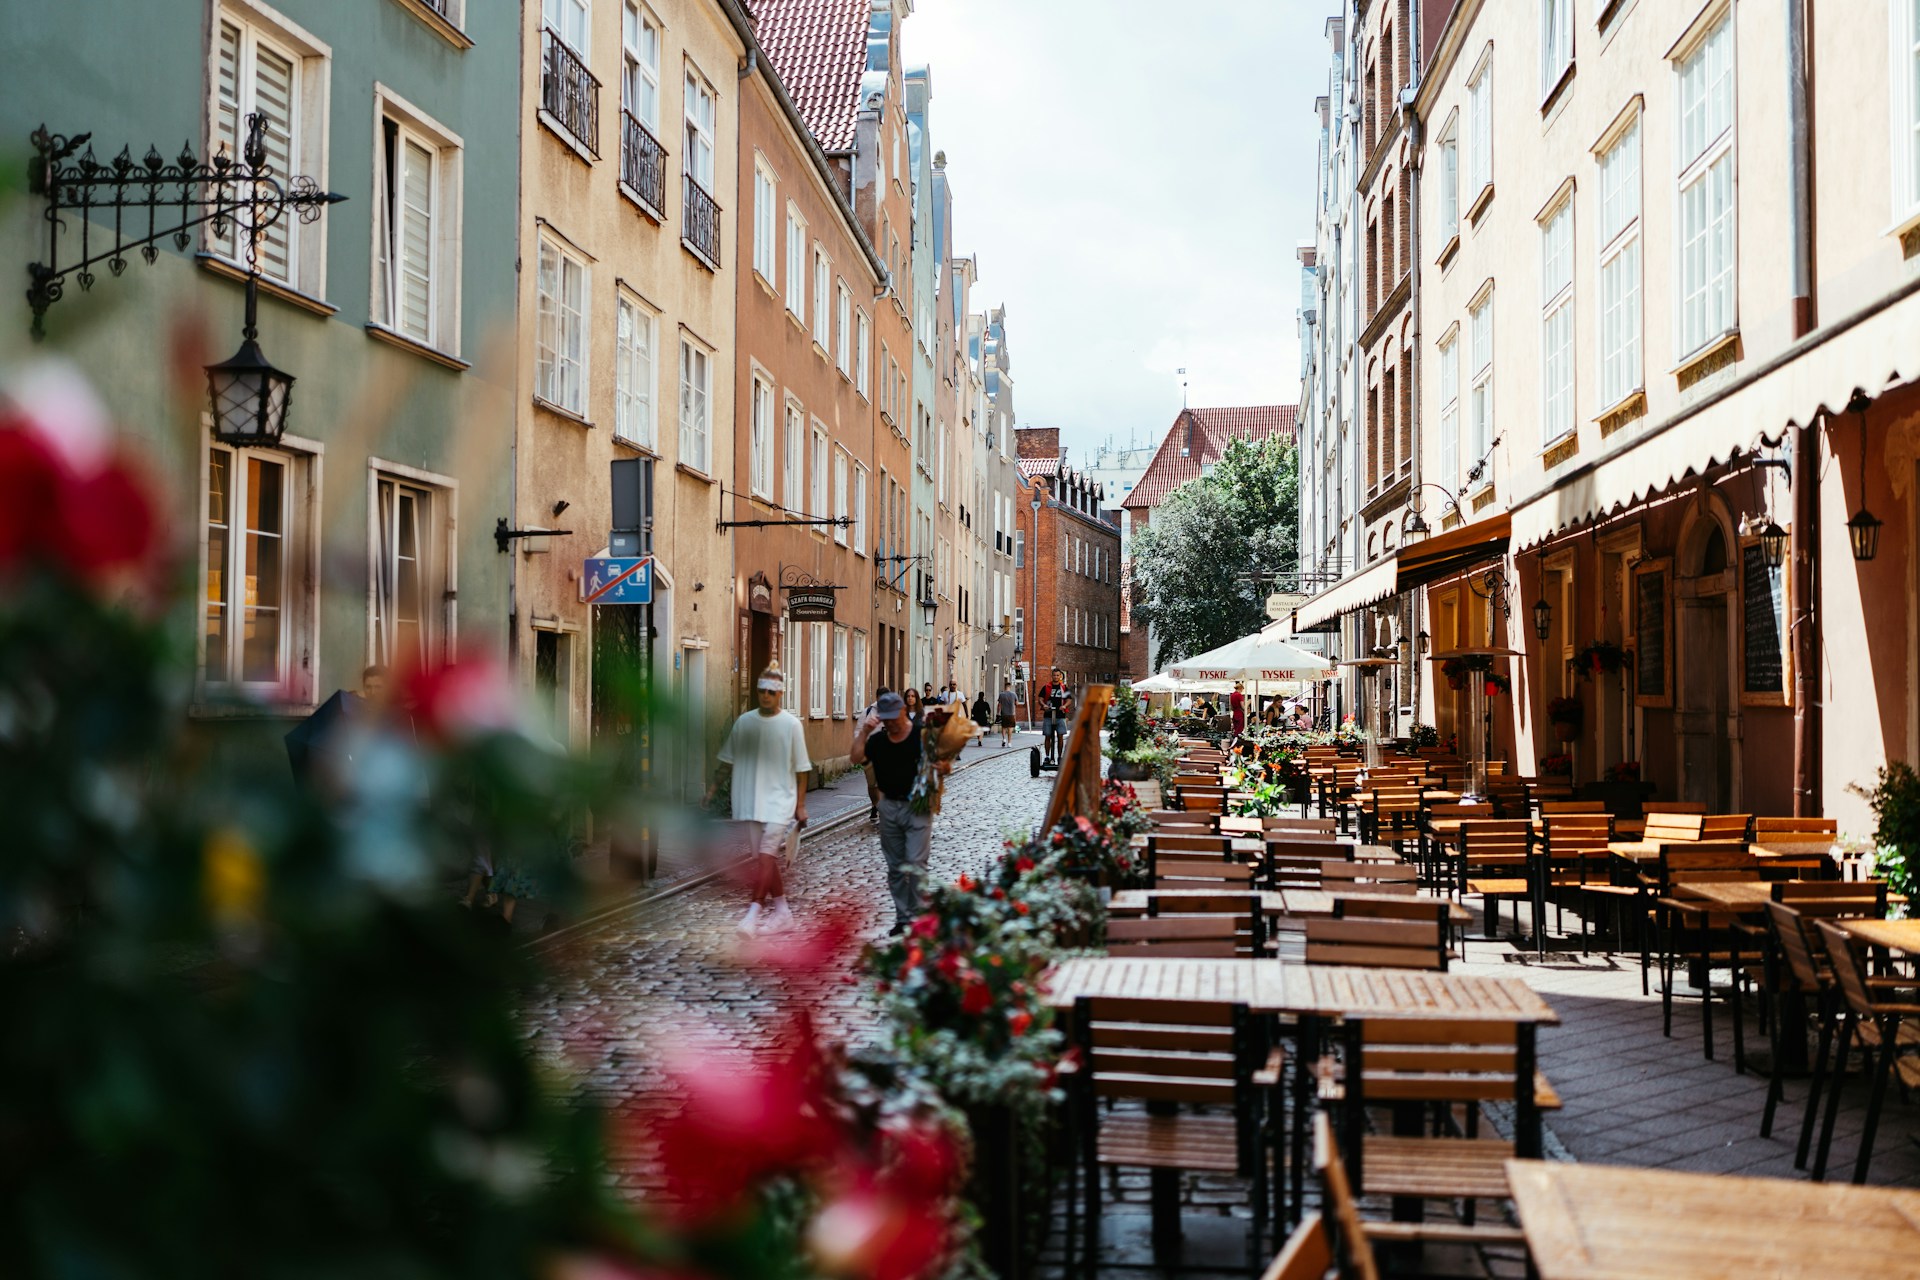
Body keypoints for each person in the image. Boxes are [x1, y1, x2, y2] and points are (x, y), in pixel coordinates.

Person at [708, 664, 812, 936]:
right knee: (764, 860)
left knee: (766, 857)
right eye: (761, 691)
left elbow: (802, 769)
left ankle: (752, 916)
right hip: (751, 801)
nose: (765, 696)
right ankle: (782, 913)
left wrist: (800, 805)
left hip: (781, 801)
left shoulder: (791, 725)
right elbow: (727, 761)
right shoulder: (744, 722)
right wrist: (711, 790)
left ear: (780, 695)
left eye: (771, 692)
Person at [851, 690, 941, 934]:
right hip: (889, 805)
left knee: (916, 863)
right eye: (885, 718)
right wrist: (865, 731)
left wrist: (938, 767)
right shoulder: (878, 740)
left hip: (917, 806)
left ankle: (918, 916)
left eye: (893, 717)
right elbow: (855, 757)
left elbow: (942, 764)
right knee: (896, 866)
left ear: (903, 711)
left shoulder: (921, 735)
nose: (890, 722)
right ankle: (903, 917)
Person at [1039, 668, 1073, 766]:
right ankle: (1047, 756)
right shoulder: (1046, 687)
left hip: (1060, 715)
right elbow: (1040, 698)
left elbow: (1069, 699)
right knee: (1048, 736)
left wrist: (1064, 706)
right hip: (1048, 715)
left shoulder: (1063, 687)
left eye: (1058, 675)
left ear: (1060, 676)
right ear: (1052, 676)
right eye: (1054, 675)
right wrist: (1044, 705)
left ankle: (1059, 756)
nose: (1056, 677)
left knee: (1060, 736)